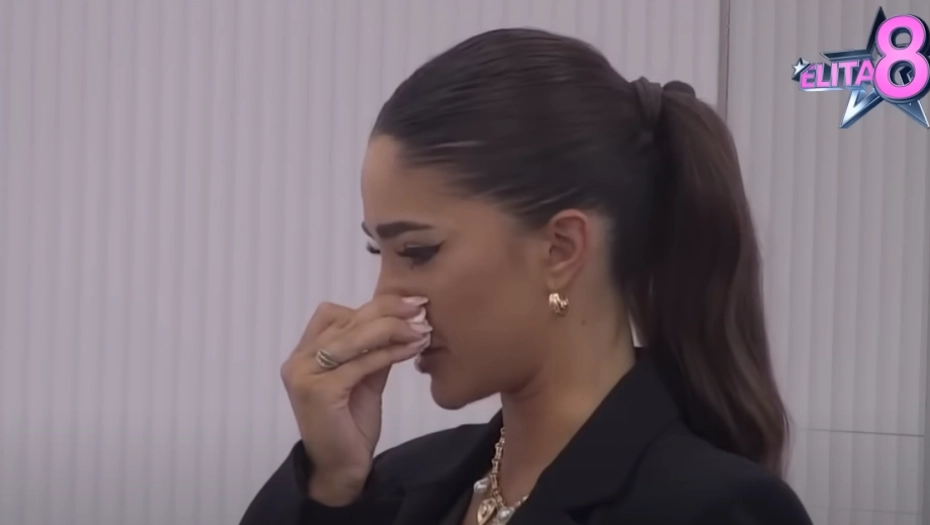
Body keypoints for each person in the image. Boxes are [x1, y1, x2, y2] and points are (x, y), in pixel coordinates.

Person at [239, 28, 814, 525]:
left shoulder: (710, 508)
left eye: (418, 251)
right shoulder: (398, 485)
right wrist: (331, 485)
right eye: (377, 251)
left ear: (561, 248)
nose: (384, 296)